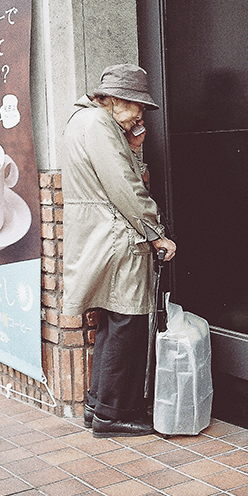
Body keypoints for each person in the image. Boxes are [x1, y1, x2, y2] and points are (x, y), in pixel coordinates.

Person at [62, 64, 176, 438]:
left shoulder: (83, 121)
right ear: (114, 99)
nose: (140, 116)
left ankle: (97, 407)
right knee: (128, 323)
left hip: (100, 237)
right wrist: (156, 233)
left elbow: (127, 173)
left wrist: (135, 147)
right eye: (136, 106)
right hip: (118, 239)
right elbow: (126, 185)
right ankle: (113, 413)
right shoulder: (99, 125)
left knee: (113, 323)